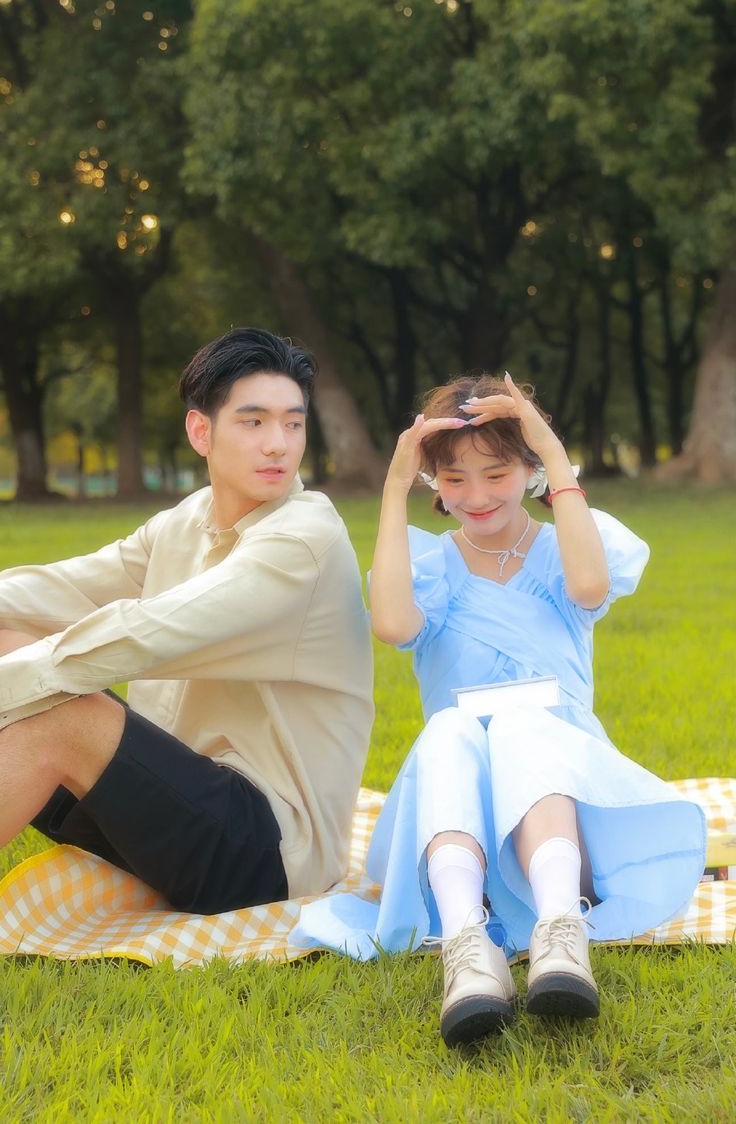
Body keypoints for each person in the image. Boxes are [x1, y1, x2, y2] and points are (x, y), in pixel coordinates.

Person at [294, 371, 705, 1049]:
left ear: (530, 468)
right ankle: (467, 944)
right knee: (453, 724)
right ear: (433, 481)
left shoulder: (565, 548)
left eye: (497, 473)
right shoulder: (428, 566)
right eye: (453, 479)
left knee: (520, 721)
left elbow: (590, 583)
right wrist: (394, 487)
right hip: (463, 816)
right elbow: (394, 625)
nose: (477, 496)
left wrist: (550, 449)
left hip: (563, 805)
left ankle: (559, 930)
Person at [0, 328, 373, 915]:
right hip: (174, 814)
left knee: (58, 709)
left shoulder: (304, 541)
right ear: (202, 431)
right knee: (8, 642)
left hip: (266, 852)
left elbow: (147, 633)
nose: (278, 443)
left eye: (293, 423)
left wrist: (16, 684)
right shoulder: (188, 519)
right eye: (253, 422)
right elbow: (65, 589)